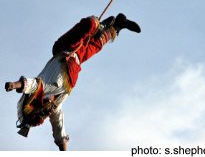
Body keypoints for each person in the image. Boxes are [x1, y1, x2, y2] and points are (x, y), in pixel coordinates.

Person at [5, 13, 141, 151]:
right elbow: (59, 129)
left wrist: (13, 84)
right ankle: (118, 24)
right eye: (46, 115)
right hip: (76, 62)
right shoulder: (55, 105)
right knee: (97, 44)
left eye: (44, 111)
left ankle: (99, 25)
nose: (49, 110)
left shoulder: (42, 87)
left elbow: (29, 84)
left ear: (39, 103)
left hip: (66, 48)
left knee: (89, 24)